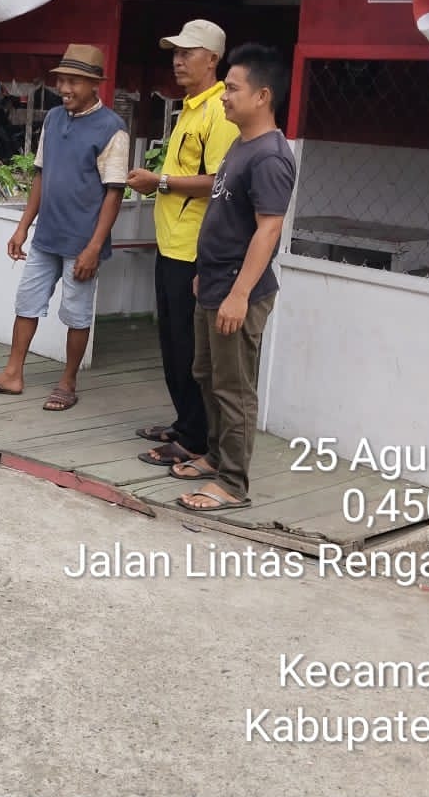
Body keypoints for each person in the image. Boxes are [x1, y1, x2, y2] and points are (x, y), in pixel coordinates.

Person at [0, 44, 129, 411]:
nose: (65, 88)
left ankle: (68, 382)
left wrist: (93, 247)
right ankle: (12, 373)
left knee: (76, 313)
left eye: (73, 82)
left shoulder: (112, 129)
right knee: (27, 302)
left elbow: (114, 194)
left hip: (82, 242)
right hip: (47, 236)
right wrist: (23, 226)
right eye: (62, 81)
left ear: (94, 85)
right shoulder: (54, 118)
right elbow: (41, 174)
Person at [172, 43, 296, 513]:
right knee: (207, 375)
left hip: (239, 292)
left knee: (234, 387)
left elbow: (269, 229)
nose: (224, 96)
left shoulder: (269, 157)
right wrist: (207, 277)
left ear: (262, 96)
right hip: (216, 284)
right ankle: (214, 458)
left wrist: (240, 294)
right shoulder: (242, 145)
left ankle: (233, 483)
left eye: (234, 88)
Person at [125, 19, 239, 469]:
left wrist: (161, 181)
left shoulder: (218, 113)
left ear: (212, 59)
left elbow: (218, 182)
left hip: (195, 250)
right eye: (174, 52)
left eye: (187, 52)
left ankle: (195, 439)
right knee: (172, 344)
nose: (177, 60)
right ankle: (183, 422)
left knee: (190, 351)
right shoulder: (190, 107)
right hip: (171, 244)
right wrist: (159, 186)